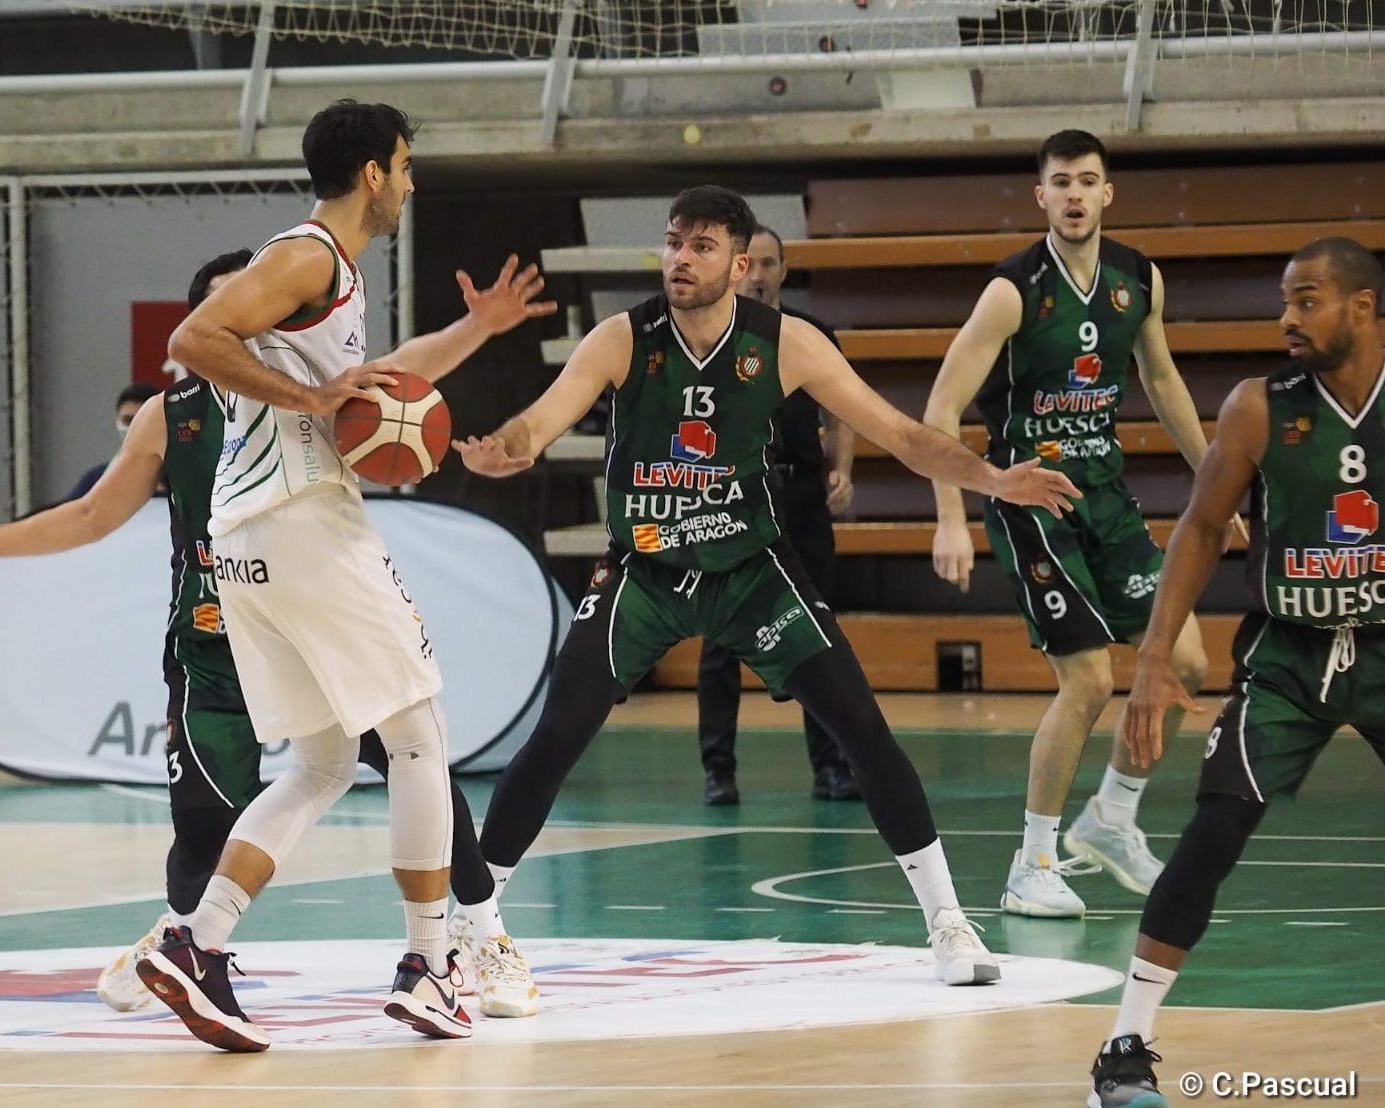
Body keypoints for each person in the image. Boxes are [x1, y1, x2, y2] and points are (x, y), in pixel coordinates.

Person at [0, 243, 553, 1032]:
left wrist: (476, 326)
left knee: (411, 762)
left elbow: (403, 372)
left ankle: (480, 931)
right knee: (208, 823)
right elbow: (94, 515)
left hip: (308, 630)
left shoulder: (312, 395)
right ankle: (192, 938)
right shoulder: (175, 414)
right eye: (242, 311)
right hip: (212, 647)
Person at [454, 185, 1081, 986]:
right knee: (559, 733)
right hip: (648, 572)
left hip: (751, 571)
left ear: (740, 264)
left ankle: (949, 924)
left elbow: (899, 433)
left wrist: (993, 479)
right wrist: (507, 448)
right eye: (674, 241)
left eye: (702, 246)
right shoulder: (624, 338)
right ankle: (474, 928)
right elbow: (538, 422)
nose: (680, 258)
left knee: (861, 725)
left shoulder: (787, 344)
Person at [1088, 237, 1385, 1104]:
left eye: (1309, 300)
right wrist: (1151, 659)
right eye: (1286, 301)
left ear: (1363, 308)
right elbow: (1201, 528)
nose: (1288, 317)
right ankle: (1124, 1049)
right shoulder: (1261, 407)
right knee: (1214, 834)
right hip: (1287, 657)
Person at [924, 129, 1228, 919]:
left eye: (1087, 182)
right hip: (1033, 500)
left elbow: (1160, 378)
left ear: (1107, 193)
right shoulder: (1012, 290)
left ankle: (1112, 816)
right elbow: (941, 408)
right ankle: (1030, 863)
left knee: (1188, 659)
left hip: (1106, 493)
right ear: (1041, 196)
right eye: (1060, 182)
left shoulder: (1137, 277)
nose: (1074, 195)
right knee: (1091, 678)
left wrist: (1215, 479)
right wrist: (951, 517)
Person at [699, 222, 858, 805]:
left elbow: (842, 415)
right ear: (734, 269)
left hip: (800, 495)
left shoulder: (813, 335)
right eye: (751, 264)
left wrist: (842, 470)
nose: (760, 276)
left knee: (816, 631)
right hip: (731, 500)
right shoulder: (703, 338)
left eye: (770, 264)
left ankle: (832, 766)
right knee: (721, 637)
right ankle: (718, 770)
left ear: (784, 271)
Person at [68, 382, 162, 499]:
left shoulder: (179, 479)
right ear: (117, 421)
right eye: (127, 420)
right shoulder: (96, 480)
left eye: (140, 420)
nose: (133, 428)